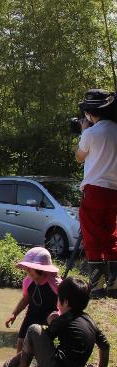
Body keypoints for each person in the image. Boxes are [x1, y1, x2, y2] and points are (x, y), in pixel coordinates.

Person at [4, 277, 110, 367]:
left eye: (58, 298)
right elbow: (105, 346)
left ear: (64, 302)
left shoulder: (65, 319)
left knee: (34, 329)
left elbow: (40, 339)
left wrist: (51, 321)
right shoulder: (89, 320)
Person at [75, 89, 117, 298]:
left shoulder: (90, 133)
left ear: (90, 113)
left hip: (95, 189)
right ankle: (114, 284)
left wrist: (84, 131)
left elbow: (79, 158)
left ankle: (97, 286)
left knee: (92, 234)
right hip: (114, 190)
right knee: (110, 234)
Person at [2, 247, 60, 367]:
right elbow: (25, 299)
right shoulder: (28, 282)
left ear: (42, 270)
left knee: (41, 346)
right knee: (21, 342)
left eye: (30, 269)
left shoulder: (55, 284)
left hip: (48, 319)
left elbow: (64, 304)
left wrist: (58, 315)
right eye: (26, 269)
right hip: (31, 315)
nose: (27, 272)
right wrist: (14, 313)